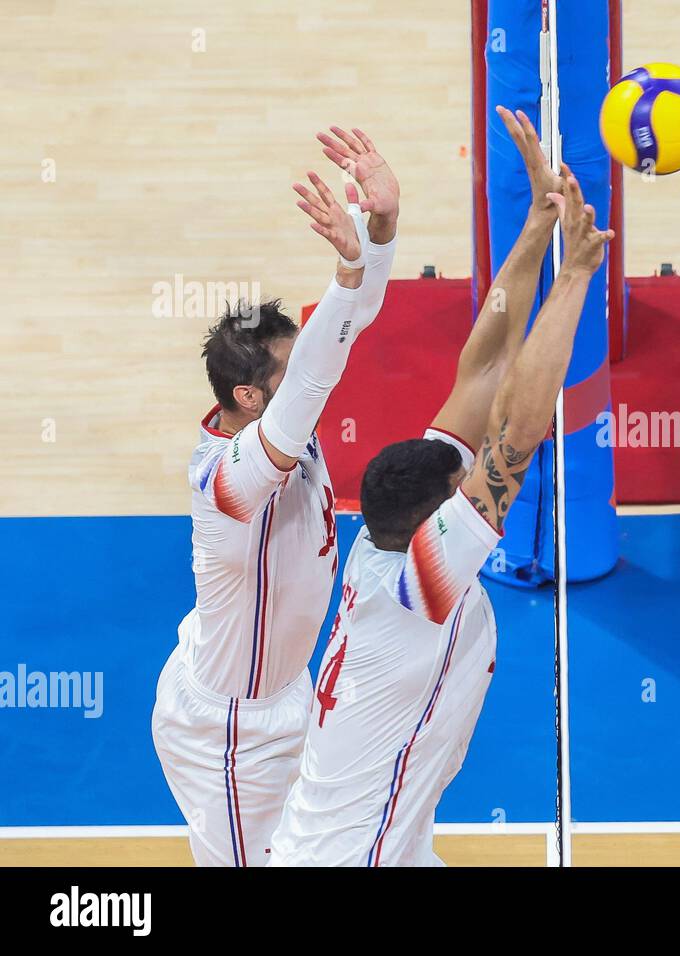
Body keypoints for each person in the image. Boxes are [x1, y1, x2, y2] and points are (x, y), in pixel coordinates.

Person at [269, 113, 613, 866]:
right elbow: (516, 436)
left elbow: (485, 367)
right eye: (463, 496)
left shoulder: (381, 549)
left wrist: (538, 221)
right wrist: (579, 274)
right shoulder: (423, 585)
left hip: (372, 841)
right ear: (435, 527)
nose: (473, 488)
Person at [152, 126, 400, 866]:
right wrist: (346, 271)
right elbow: (319, 371)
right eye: (289, 373)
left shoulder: (275, 419)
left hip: (290, 689)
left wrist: (379, 230)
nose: (309, 379)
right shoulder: (228, 483)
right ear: (247, 395)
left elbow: (342, 336)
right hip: (231, 733)